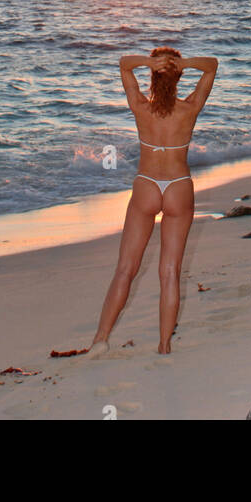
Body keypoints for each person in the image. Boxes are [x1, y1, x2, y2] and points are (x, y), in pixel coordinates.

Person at [87, 48, 218, 356]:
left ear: (152, 76)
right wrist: (183, 63)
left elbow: (123, 65)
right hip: (178, 187)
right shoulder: (190, 108)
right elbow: (212, 67)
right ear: (179, 77)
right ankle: (164, 345)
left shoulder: (140, 107)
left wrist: (148, 61)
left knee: (125, 270)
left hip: (147, 185)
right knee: (170, 271)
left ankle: (100, 340)